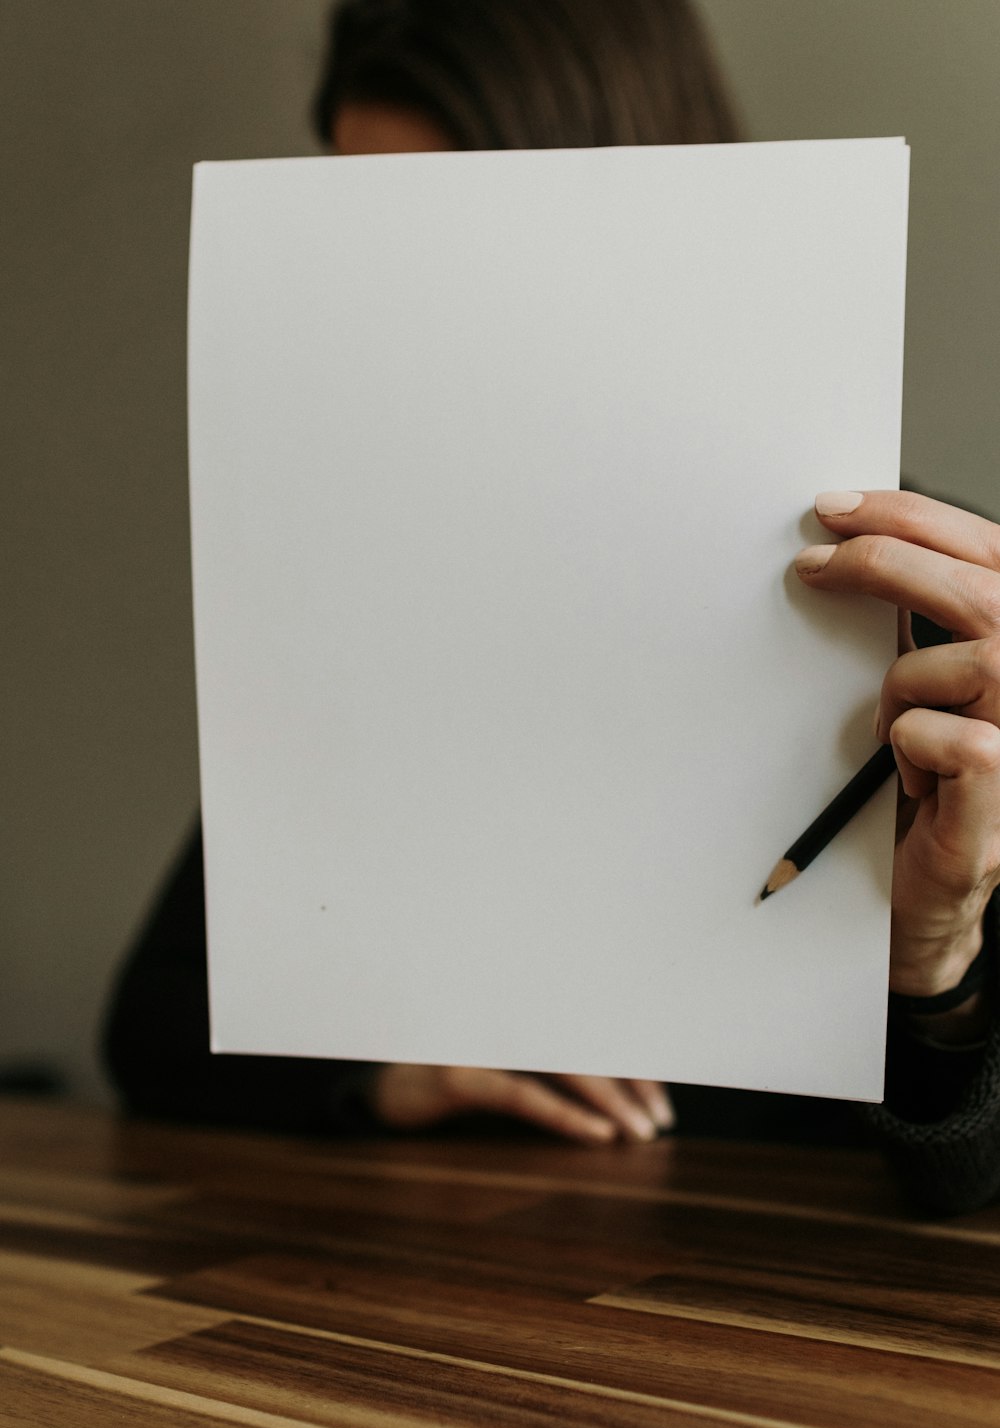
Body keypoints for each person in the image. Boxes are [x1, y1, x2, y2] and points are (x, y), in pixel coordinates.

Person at [106, 0, 1000, 1214]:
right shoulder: (380, 592)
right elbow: (155, 1033)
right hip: (433, 1300)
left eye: (441, 235)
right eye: (349, 240)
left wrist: (931, 977)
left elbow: (964, 1193)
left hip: (778, 1341)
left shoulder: (936, 631)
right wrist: (378, 1080)